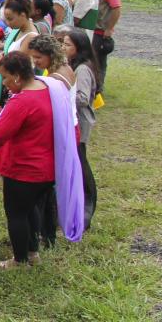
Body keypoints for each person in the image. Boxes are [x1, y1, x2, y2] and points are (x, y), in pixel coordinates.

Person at [0, 51, 57, 268]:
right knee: (30, 209)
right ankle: (32, 253)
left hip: (23, 169)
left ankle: (19, 260)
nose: (4, 83)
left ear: (17, 76)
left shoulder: (22, 102)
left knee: (16, 214)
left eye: (5, 77)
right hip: (46, 168)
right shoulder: (46, 89)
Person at [61, 28, 99, 229]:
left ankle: (86, 207)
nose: (63, 47)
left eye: (67, 45)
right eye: (63, 43)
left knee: (81, 165)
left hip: (81, 123)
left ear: (79, 48)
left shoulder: (83, 69)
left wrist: (60, 94)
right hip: (74, 122)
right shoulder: (73, 65)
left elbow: (82, 98)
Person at [87, 0, 121, 81]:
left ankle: (99, 87)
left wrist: (109, 28)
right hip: (93, 28)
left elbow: (116, 8)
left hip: (100, 30)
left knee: (98, 61)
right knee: (91, 59)